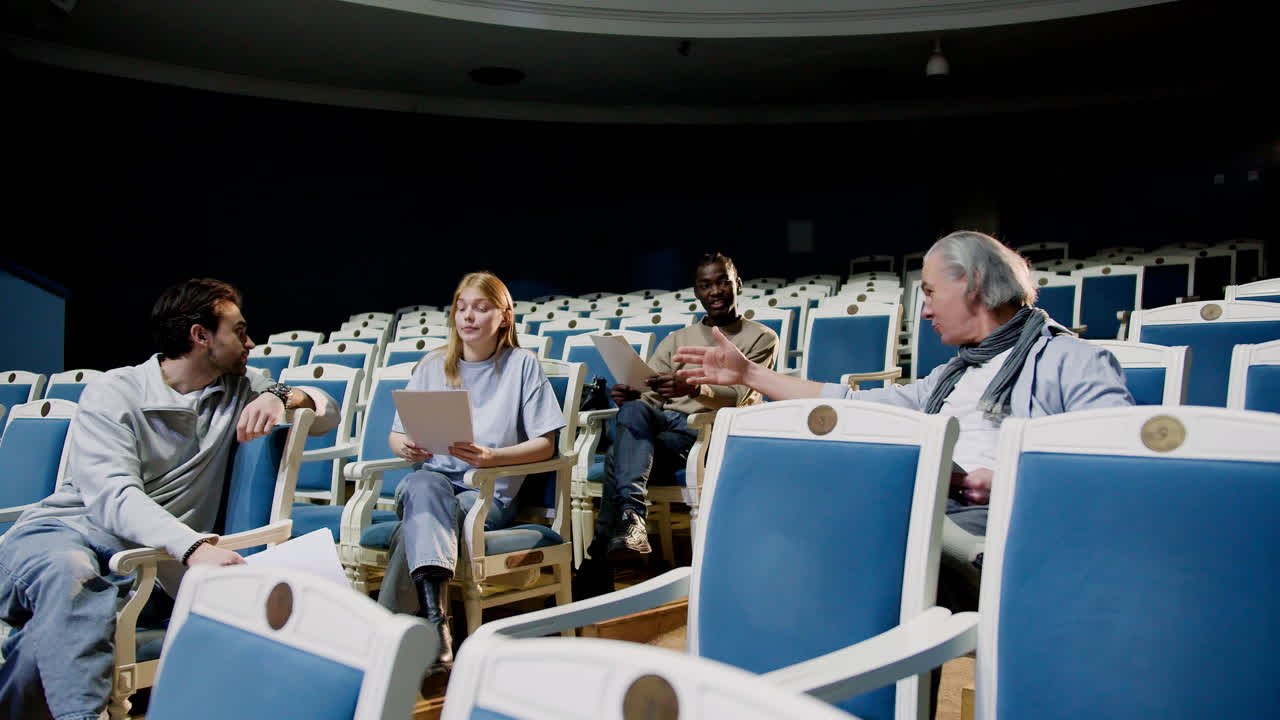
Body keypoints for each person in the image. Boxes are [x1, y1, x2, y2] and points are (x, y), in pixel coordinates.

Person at [674, 231, 1134, 606]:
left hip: (1008, 527)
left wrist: (1010, 479)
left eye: (931, 294)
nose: (926, 310)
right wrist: (749, 373)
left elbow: (1120, 461)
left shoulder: (1072, 360)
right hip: (931, 511)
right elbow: (849, 402)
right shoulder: (951, 377)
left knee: (854, 558)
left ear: (973, 284)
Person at [0, 278, 340, 720]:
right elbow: (114, 496)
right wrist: (194, 546)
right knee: (73, 575)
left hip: (141, 562)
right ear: (200, 337)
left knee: (53, 632)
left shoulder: (239, 387)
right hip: (62, 536)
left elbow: (327, 410)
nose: (250, 342)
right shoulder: (115, 391)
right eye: (238, 331)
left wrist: (282, 396)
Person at [377, 271, 566, 673]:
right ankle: (435, 624)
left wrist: (492, 458)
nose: (468, 317)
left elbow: (546, 445)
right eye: (461, 307)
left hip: (486, 495)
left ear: (504, 317)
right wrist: (406, 446)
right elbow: (396, 435)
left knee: (411, 527)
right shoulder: (432, 366)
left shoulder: (522, 366)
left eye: (481, 308)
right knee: (425, 482)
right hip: (429, 484)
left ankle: (399, 636)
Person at [575, 253, 777, 597]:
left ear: (737, 285)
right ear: (696, 292)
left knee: (619, 459)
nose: (715, 291)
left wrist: (696, 388)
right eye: (706, 285)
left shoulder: (760, 337)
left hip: (709, 432)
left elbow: (740, 396)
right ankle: (631, 521)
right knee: (633, 414)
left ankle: (596, 562)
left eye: (722, 282)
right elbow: (649, 397)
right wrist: (631, 395)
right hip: (661, 432)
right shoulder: (676, 339)